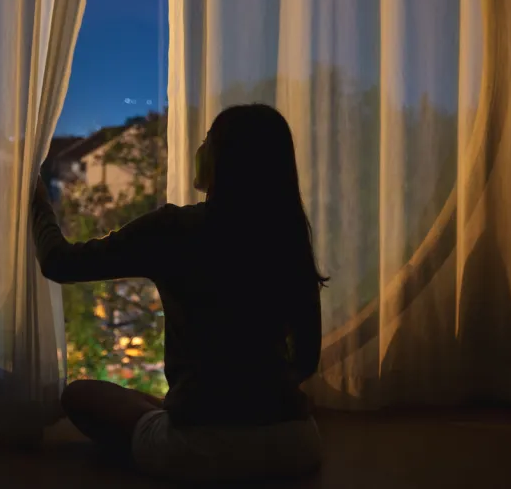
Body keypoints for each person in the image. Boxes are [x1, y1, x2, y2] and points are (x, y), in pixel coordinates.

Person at [31, 104, 327, 482]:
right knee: (148, 403)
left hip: (200, 452)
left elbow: (60, 263)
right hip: (295, 445)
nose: (199, 149)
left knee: (79, 396)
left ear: (222, 159)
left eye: (208, 141)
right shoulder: (287, 237)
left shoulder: (175, 230)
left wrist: (37, 200)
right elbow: (305, 360)